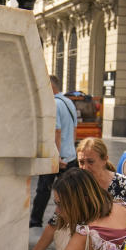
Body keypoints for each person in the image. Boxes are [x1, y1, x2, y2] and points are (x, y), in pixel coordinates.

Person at [30, 75, 78, 227]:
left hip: (57, 157)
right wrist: (72, 150)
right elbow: (74, 129)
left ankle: (35, 222)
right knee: (69, 193)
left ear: (50, 87)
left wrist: (55, 156)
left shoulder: (54, 104)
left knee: (43, 190)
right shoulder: (69, 102)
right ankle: (69, 222)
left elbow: (56, 132)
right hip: (70, 156)